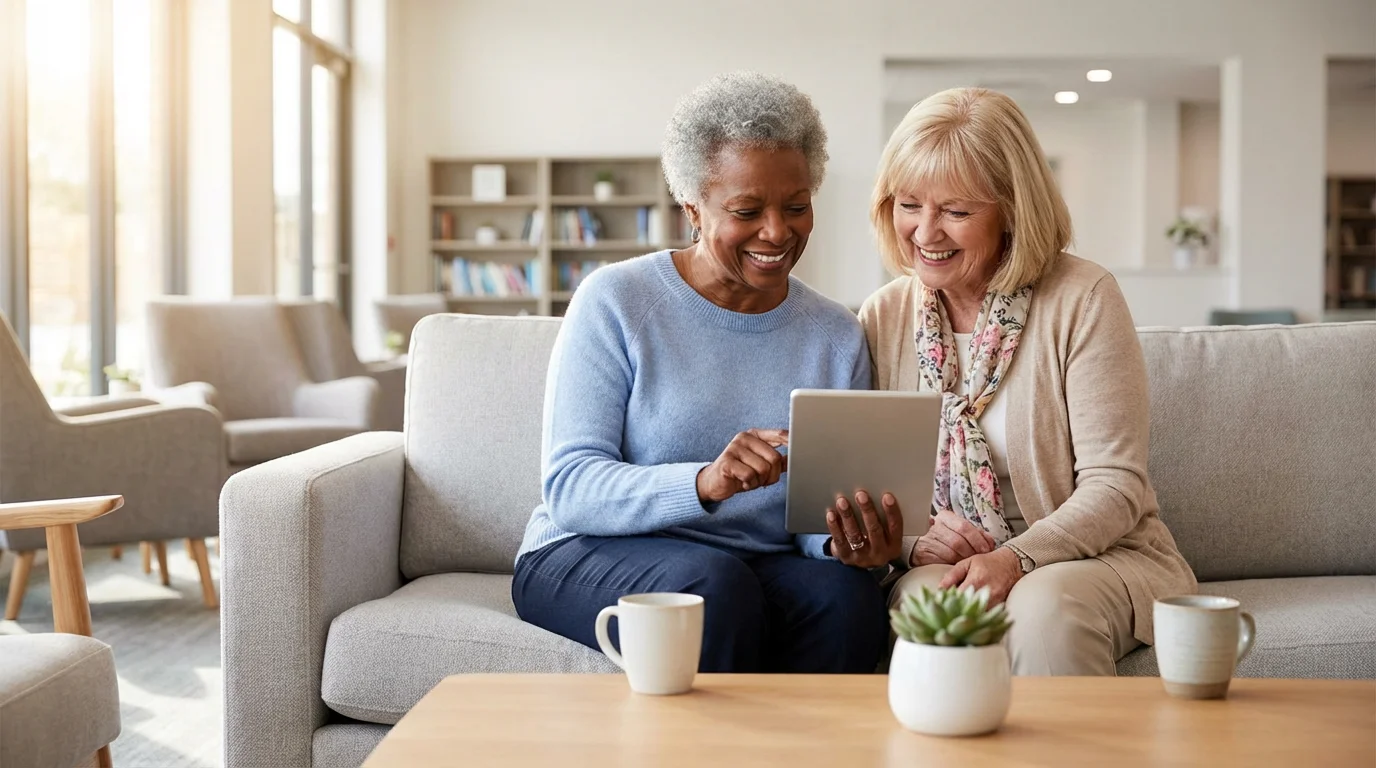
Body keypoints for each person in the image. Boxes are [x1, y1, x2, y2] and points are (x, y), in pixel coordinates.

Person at [512, 72, 901, 674]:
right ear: (692, 208)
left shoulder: (834, 334)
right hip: (587, 550)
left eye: (797, 207)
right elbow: (571, 488)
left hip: (747, 565)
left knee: (847, 601)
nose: (777, 231)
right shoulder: (616, 301)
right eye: (747, 210)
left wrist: (842, 542)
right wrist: (704, 482)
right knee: (710, 587)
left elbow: (810, 522)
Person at [859, 87, 1197, 675]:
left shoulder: (1083, 298)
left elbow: (1116, 486)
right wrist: (916, 542)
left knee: (1043, 610)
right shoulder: (883, 315)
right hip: (949, 563)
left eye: (957, 212)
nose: (925, 233)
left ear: (1013, 210)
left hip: (1096, 556)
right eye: (909, 204)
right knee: (927, 605)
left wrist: (1016, 558)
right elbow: (874, 487)